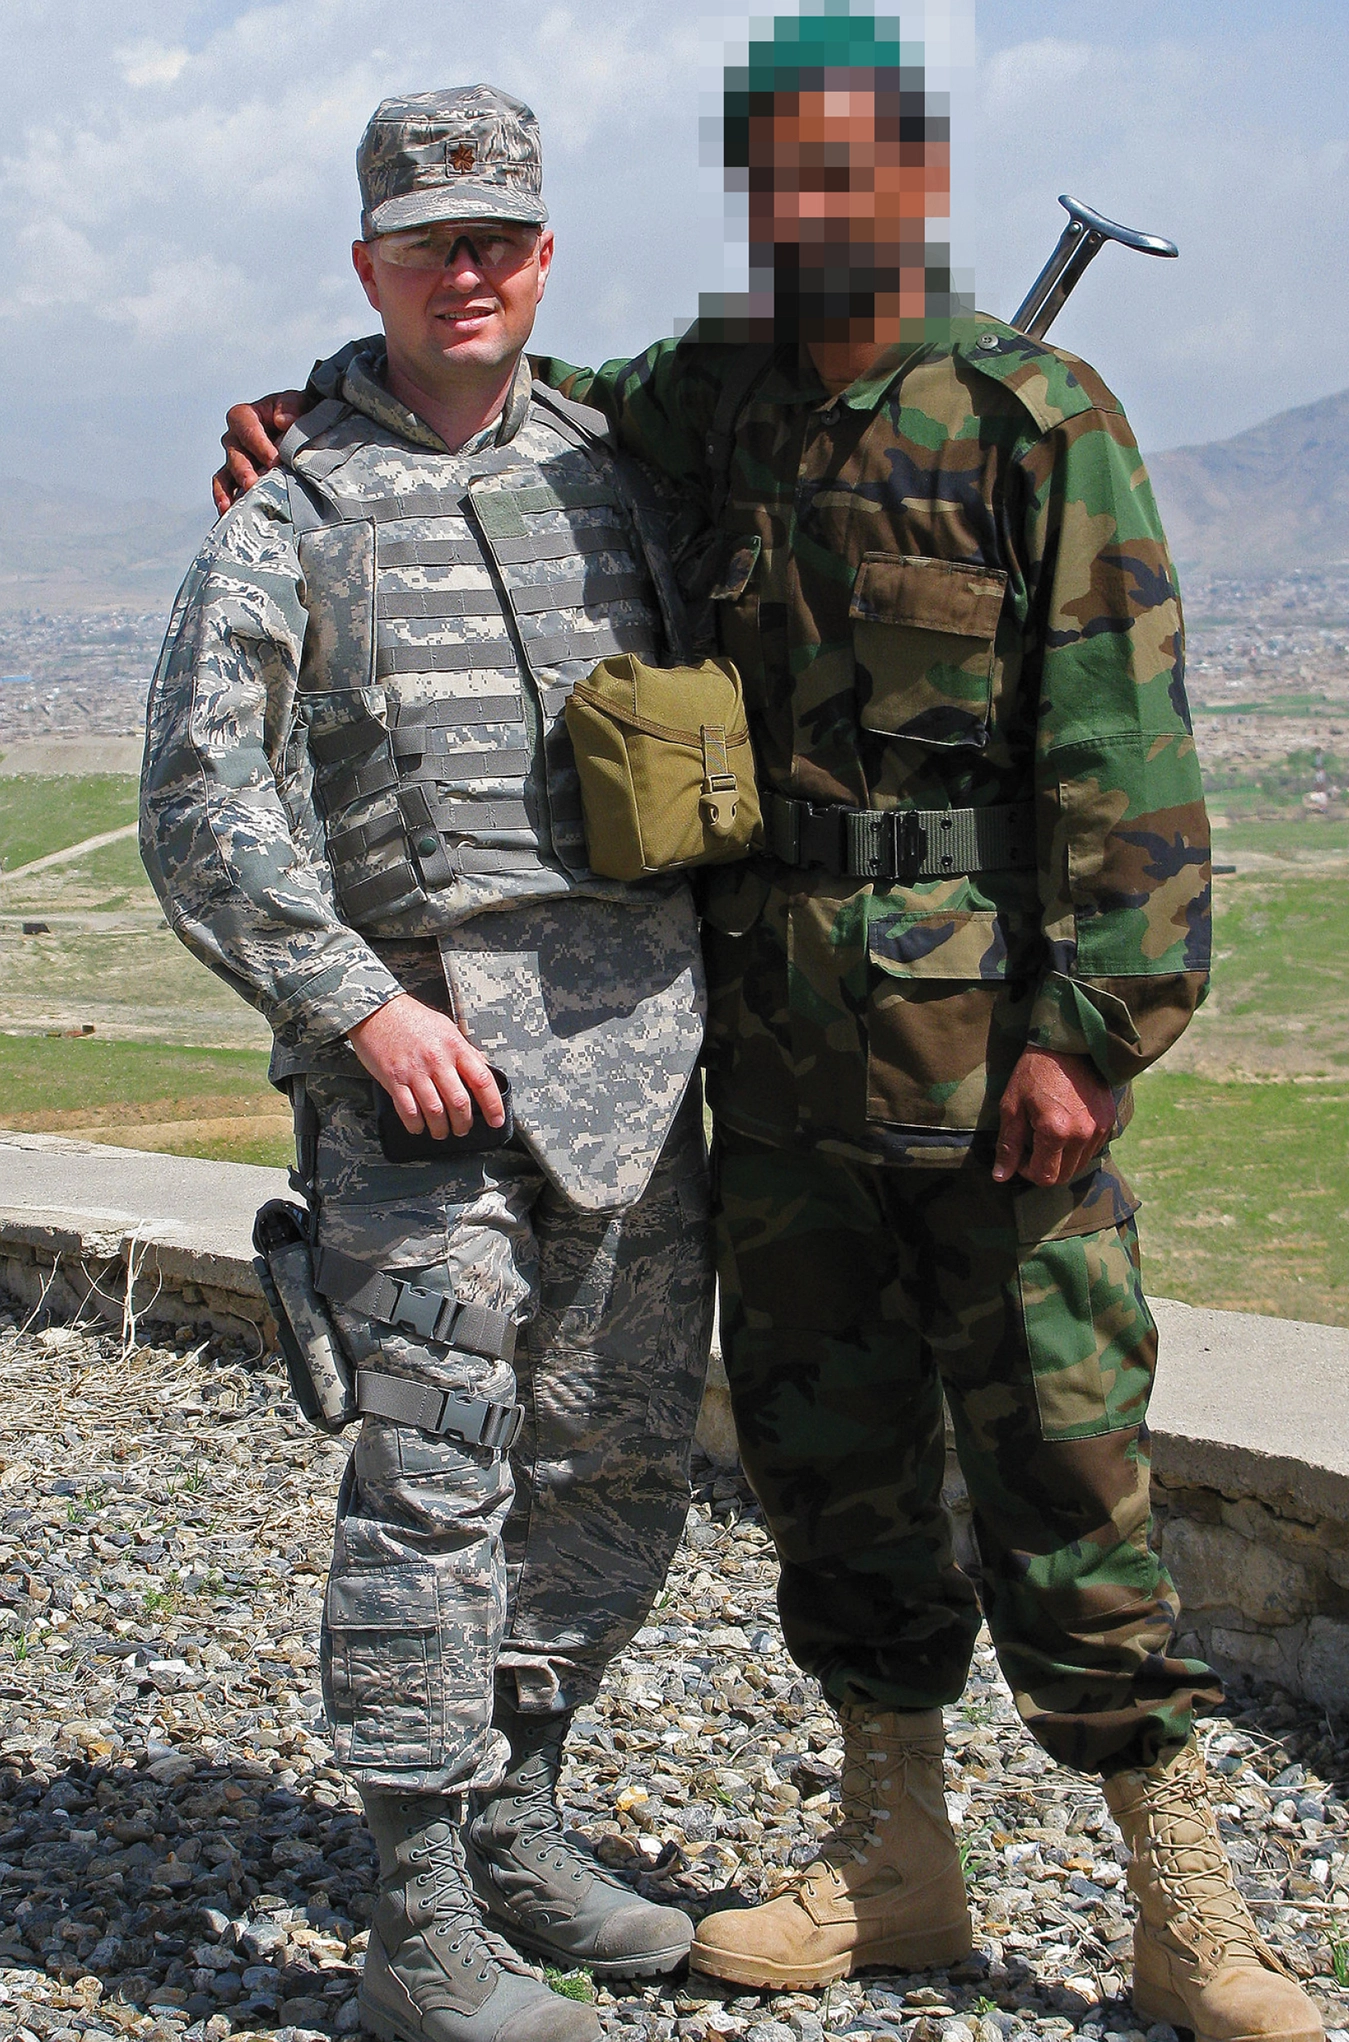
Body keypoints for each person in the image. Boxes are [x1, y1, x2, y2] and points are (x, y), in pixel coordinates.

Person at [214, 23, 1324, 2042]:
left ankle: (1188, 1906)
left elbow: (1131, 759)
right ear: (759, 202)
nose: (817, 213)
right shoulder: (707, 396)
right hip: (781, 1062)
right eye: (782, 184)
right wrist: (303, 416)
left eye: (850, 177)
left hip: (1001, 1065)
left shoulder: (1034, 411)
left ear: (914, 179)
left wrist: (1100, 1031)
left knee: (1073, 1466)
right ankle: (896, 1861)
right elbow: (493, 407)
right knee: (836, 1474)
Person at [145, 85, 718, 2042]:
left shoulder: (621, 470)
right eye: (428, 241)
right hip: (415, 1070)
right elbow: (202, 811)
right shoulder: (292, 506)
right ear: (368, 260)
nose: (466, 270)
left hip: (632, 1052)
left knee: (620, 1449)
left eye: (499, 238)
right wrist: (357, 1009)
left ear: (544, 255)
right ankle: (413, 1929)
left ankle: (516, 1823)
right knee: (437, 1471)